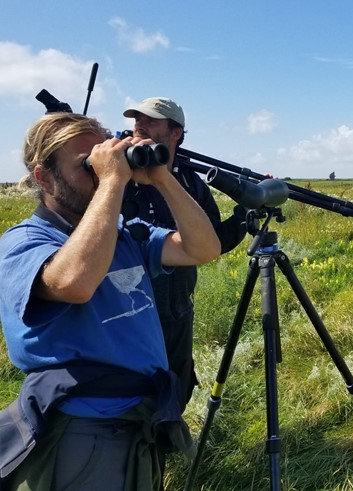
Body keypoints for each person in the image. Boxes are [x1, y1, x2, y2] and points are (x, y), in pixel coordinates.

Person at [0, 112, 221, 490]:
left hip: (140, 420)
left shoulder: (124, 234)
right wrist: (113, 181)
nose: (100, 173)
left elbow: (204, 248)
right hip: (82, 429)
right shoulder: (24, 242)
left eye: (104, 159)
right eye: (88, 166)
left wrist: (161, 177)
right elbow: (74, 283)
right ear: (44, 177)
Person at [121, 97, 247, 407]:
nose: (139, 124)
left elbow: (212, 241)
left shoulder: (191, 181)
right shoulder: (118, 174)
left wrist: (247, 212)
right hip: (128, 310)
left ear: (176, 132)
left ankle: (170, 443)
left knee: (176, 385)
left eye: (150, 120)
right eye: (137, 118)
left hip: (177, 309)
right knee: (133, 393)